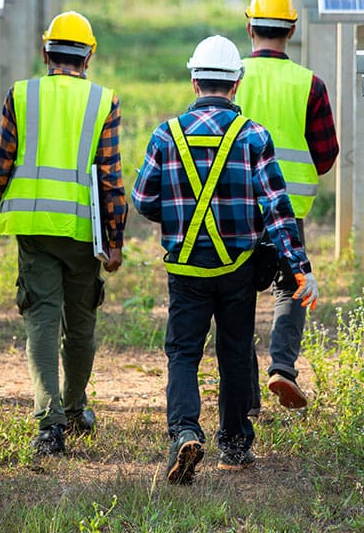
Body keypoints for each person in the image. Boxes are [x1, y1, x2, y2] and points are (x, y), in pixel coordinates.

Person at [132, 35, 316, 485]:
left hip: (185, 270)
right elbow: (277, 210)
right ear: (236, 83)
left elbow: (142, 199)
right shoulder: (253, 136)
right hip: (237, 269)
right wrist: (299, 268)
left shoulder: (165, 134)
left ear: (194, 81)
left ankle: (184, 433)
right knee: (235, 352)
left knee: (182, 352)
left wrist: (178, 214)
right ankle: (234, 445)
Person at [0, 10, 126, 457]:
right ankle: (75, 410)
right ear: (89, 57)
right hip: (82, 231)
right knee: (80, 323)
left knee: (40, 319)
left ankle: (49, 423)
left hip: (34, 228)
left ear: (45, 52)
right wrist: (114, 241)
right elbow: (111, 177)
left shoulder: (22, 95)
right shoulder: (103, 101)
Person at [234, 0, 339, 411]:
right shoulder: (309, 84)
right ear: (291, 30)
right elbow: (326, 153)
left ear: (249, 27)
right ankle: (282, 367)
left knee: (235, 291)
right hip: (289, 208)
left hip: (235, 207)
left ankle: (244, 392)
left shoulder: (230, 75)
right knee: (290, 285)